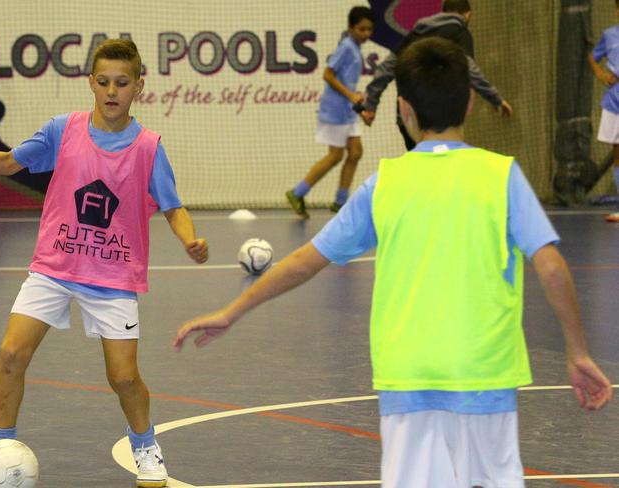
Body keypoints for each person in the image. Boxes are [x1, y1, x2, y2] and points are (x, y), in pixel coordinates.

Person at [174, 38, 612, 487]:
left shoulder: (385, 183)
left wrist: (232, 311)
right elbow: (553, 267)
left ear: (403, 109)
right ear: (469, 103)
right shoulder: (502, 175)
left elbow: (306, 261)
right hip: (486, 378)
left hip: (408, 380)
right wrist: (576, 351)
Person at [0, 39, 208, 488]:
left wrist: (190, 239)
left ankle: (146, 448)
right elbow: (8, 161)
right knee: (10, 353)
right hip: (54, 267)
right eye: (103, 82)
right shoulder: (65, 129)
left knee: (123, 377)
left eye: (122, 83)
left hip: (113, 276)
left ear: (139, 86)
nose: (112, 91)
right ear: (90, 83)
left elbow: (174, 206)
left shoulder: (149, 147)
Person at [358, 0, 512, 150]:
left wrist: (370, 104)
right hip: (440, 119)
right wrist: (495, 98)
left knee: (421, 167)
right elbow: (470, 69)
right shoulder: (459, 33)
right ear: (468, 15)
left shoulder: (413, 35)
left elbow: (384, 70)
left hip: (409, 119)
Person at [285, 6, 374, 218]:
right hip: (335, 110)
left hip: (348, 111)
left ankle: (340, 202)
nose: (366, 34)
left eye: (369, 29)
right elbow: (328, 75)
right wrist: (351, 97)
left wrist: (359, 106)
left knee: (356, 152)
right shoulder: (346, 47)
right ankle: (297, 193)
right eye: (361, 29)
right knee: (335, 155)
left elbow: (347, 84)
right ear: (351, 28)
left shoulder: (355, 47)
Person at [588, 0, 619, 222]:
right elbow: (592, 56)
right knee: (618, 153)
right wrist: (601, 75)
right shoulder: (609, 35)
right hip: (614, 103)